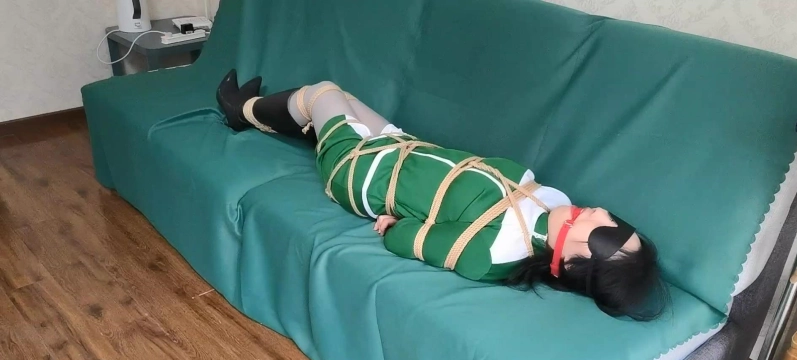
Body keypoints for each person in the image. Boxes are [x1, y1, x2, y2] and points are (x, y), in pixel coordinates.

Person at [216, 70, 668, 320]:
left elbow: (411, 240)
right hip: (401, 147)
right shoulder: (549, 200)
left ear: (573, 262)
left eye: (606, 235)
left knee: (324, 93)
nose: (603, 213)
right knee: (345, 100)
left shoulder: (492, 250)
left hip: (361, 173)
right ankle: (277, 119)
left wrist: (395, 223)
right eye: (616, 221)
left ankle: (241, 111)